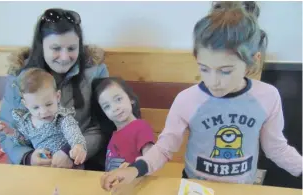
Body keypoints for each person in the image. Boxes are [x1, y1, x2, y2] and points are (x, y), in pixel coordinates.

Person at [100, 2, 302, 191]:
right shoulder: (187, 100)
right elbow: (164, 148)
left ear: (252, 62)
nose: (213, 81)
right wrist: (134, 169)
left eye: (225, 71)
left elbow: (277, 149)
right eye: (204, 69)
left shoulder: (267, 96)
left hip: (241, 188)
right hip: (195, 187)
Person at [0, 8, 109, 170]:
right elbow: (8, 129)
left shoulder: (95, 71)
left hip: (82, 162)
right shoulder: (19, 77)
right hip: (31, 168)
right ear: (41, 46)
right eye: (56, 49)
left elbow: (103, 126)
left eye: (71, 48)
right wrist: (28, 157)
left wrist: (72, 152)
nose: (65, 57)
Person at [8, 68, 87, 167]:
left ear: (57, 97)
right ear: (26, 105)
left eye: (49, 104)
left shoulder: (62, 118)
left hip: (68, 166)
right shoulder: (26, 123)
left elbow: (73, 132)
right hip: (43, 168)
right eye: (36, 107)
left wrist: (77, 146)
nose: (44, 112)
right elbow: (24, 140)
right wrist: (12, 133)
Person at [91, 77, 155, 172]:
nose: (114, 108)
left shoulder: (141, 126)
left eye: (118, 99)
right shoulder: (113, 134)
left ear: (131, 98)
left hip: (136, 184)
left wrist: (134, 168)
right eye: (107, 106)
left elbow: (151, 158)